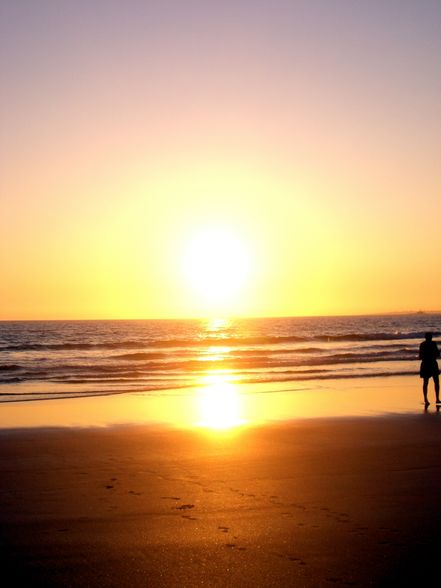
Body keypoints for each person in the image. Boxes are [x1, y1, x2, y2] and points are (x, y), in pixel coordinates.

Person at [419, 332, 440, 405]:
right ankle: (437, 398)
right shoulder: (433, 344)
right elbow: (438, 354)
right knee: (436, 381)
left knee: (426, 382)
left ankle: (426, 399)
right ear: (431, 337)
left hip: (426, 363)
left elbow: (420, 356)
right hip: (432, 363)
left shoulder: (422, 344)